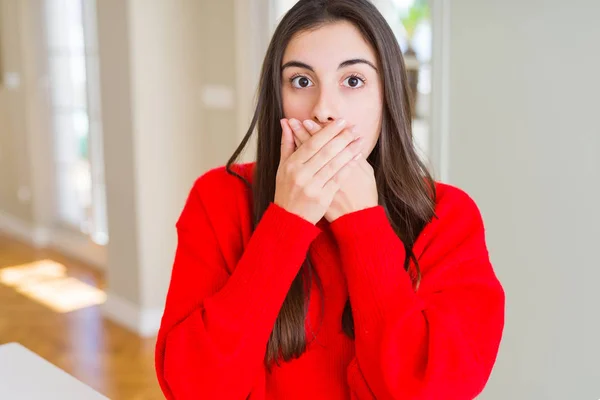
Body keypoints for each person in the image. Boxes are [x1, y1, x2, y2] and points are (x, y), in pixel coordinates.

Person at [154, 0, 505, 399]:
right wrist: (285, 223)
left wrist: (363, 226)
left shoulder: (448, 216)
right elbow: (192, 388)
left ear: (386, 95)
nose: (324, 110)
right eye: (301, 82)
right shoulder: (219, 197)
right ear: (278, 97)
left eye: (353, 80)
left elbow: (430, 390)